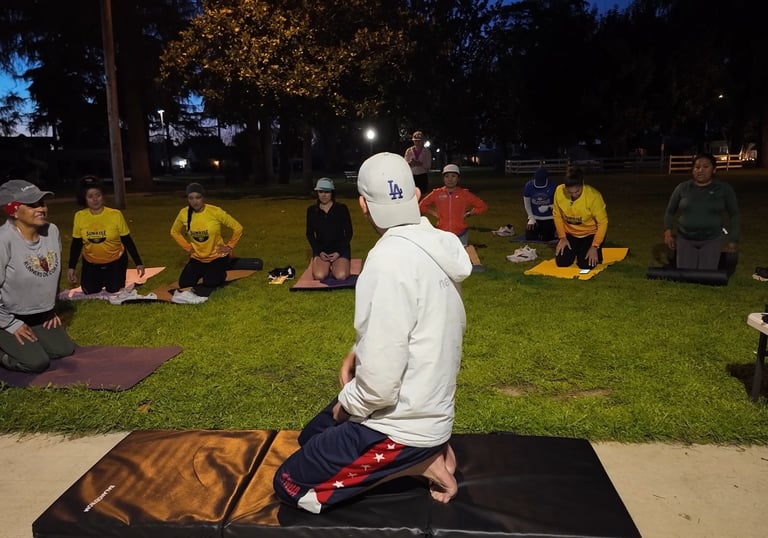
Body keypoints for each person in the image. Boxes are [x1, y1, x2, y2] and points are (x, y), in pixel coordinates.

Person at [273, 152, 472, 514]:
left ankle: (416, 462)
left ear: (363, 206)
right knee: (309, 438)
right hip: (423, 410)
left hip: (403, 427)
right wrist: (359, 349)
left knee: (288, 484)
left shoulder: (386, 260)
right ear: (415, 195)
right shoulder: (438, 246)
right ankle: (423, 450)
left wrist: (348, 403)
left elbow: (378, 386)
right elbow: (415, 323)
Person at [0, 180, 76, 372]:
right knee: (36, 362)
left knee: (64, 350)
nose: (41, 208)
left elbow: (52, 274)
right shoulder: (3, 240)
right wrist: (10, 323)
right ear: (13, 210)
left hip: (37, 315)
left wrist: (49, 308)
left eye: (42, 203)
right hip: (6, 315)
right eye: (32, 205)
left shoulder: (51, 231)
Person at [67, 176, 145, 295]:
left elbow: (127, 240)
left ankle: (113, 277)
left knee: (113, 289)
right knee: (90, 290)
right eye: (90, 196)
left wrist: (138, 262)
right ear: (84, 199)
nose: (95, 199)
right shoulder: (79, 216)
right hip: (91, 262)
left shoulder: (115, 215)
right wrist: (71, 267)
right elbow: (76, 244)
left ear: (102, 196)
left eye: (97, 195)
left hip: (115, 260)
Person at [663, 153, 740, 271]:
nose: (700, 171)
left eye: (706, 167)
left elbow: (734, 214)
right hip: (685, 239)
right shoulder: (682, 188)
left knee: (706, 276)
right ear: (692, 170)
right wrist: (668, 232)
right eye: (697, 167)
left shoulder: (723, 189)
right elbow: (670, 212)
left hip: (711, 240)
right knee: (686, 275)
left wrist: (733, 239)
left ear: (714, 169)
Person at [169, 182, 243, 304]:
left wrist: (229, 246)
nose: (195, 201)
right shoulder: (184, 213)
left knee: (210, 282)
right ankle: (205, 271)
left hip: (216, 256)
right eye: (191, 198)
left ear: (203, 197)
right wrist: (188, 247)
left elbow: (238, 228)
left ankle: (220, 272)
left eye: (198, 197)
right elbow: (174, 232)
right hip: (197, 257)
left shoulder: (215, 211)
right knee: (184, 283)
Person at [418, 164, 488, 246]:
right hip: (442, 232)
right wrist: (434, 214)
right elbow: (421, 206)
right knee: (444, 256)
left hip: (460, 233)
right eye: (447, 176)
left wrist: (469, 213)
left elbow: (482, 206)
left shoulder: (464, 194)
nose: (450, 179)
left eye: (453, 176)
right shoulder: (437, 193)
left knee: (461, 256)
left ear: (458, 178)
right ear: (443, 179)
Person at [553, 167, 608, 269]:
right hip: (570, 233)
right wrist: (562, 237)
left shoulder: (594, 196)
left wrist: (594, 246)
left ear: (582, 183)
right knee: (562, 262)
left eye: (577, 191)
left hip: (590, 233)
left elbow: (603, 223)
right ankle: (577, 250)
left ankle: (592, 251)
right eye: (569, 192)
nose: (573, 195)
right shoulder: (559, 191)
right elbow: (557, 215)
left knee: (586, 265)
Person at [306, 178, 353, 280]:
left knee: (341, 276)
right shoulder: (311, 211)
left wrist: (339, 253)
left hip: (339, 249)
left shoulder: (342, 209)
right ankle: (318, 262)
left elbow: (349, 233)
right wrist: (318, 252)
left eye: (327, 192)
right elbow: (309, 234)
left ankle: (339, 264)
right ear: (317, 193)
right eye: (320, 192)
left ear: (332, 193)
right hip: (322, 250)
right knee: (319, 276)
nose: (323, 195)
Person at [523, 166, 557, 241]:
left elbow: (558, 204)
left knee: (547, 238)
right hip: (535, 217)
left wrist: (548, 207)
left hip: (549, 217)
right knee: (530, 237)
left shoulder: (554, 186)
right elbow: (527, 204)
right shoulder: (529, 186)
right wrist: (531, 218)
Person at [403, 130, 432, 195]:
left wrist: (420, 164)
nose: (418, 143)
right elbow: (405, 164)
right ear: (413, 141)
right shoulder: (409, 151)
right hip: (412, 176)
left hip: (422, 176)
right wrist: (411, 163)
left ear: (423, 141)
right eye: (416, 141)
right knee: (412, 194)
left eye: (419, 141)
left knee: (422, 194)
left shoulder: (427, 151)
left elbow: (428, 166)